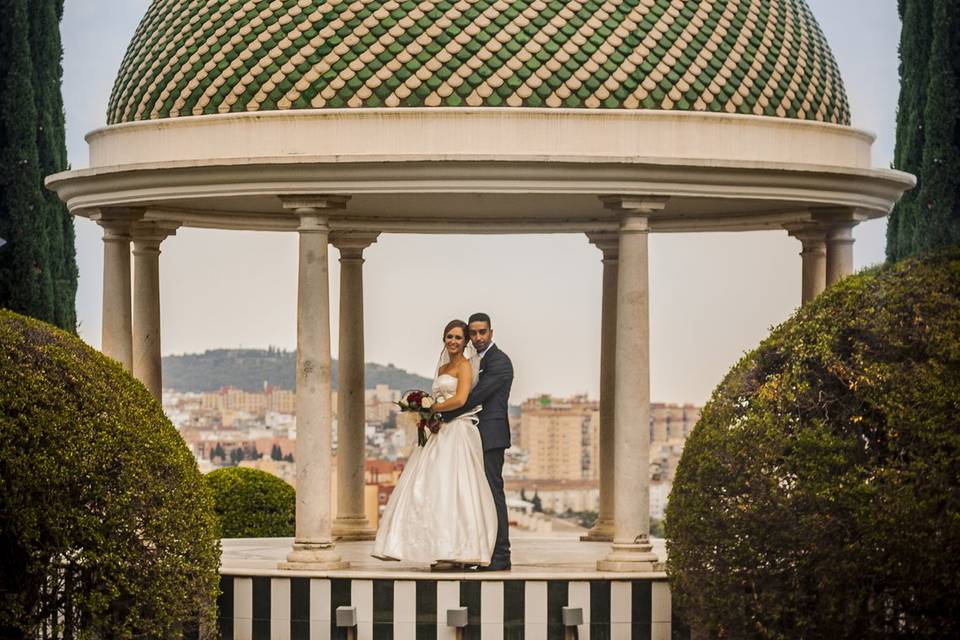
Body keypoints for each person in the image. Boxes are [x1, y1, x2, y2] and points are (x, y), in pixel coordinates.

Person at [372, 319, 498, 567]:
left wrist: (431, 408)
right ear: (444, 339)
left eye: (458, 338)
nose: (453, 341)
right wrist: (426, 413)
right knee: (430, 487)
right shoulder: (442, 369)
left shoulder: (464, 366)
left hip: (457, 432)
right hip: (439, 431)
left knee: (453, 488)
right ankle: (436, 546)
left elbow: (461, 399)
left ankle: (457, 550)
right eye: (449, 337)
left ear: (465, 342)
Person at [440, 312, 514, 571]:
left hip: (490, 436)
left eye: (483, 332)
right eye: (474, 333)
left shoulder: (500, 362)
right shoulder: (473, 360)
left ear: (491, 333)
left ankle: (501, 555)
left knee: (493, 494)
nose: (478, 337)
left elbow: (475, 397)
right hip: (469, 435)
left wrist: (440, 413)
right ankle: (473, 549)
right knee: (471, 496)